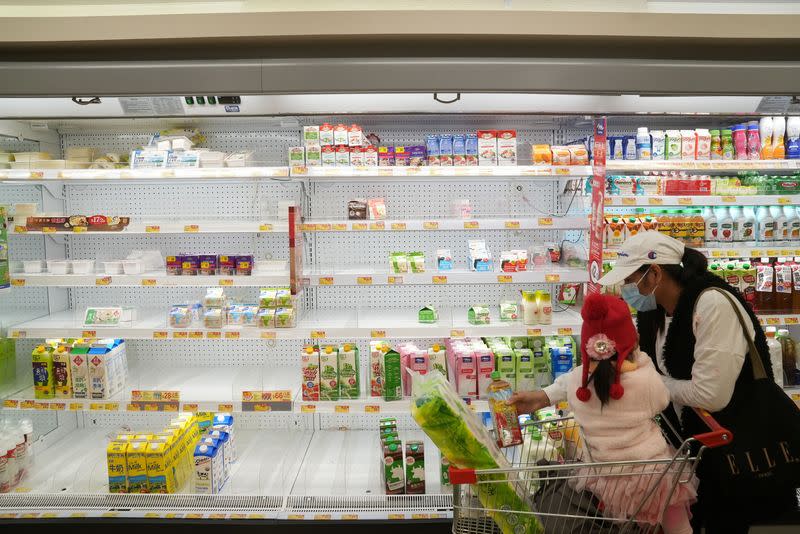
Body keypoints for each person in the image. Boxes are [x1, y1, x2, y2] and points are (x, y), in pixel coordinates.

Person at [511, 231, 795, 533]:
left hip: (736, 456)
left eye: (630, 280)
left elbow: (711, 395)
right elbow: (611, 368)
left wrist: (643, 383)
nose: (625, 289)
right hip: (688, 454)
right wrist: (545, 395)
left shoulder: (713, 304)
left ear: (654, 273)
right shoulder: (655, 311)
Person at [560, 292, 697, 533]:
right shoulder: (644, 379)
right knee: (675, 516)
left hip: (606, 477)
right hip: (652, 475)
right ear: (632, 341)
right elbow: (662, 401)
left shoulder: (575, 382)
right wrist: (641, 360)